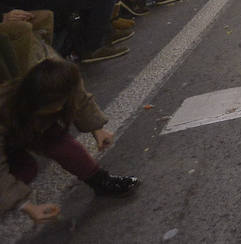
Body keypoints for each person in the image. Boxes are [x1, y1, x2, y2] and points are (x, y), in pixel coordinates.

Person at [0, 58, 139, 227]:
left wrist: (97, 129)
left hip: (23, 124)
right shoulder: (10, 107)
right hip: (11, 130)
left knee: (57, 141)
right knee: (25, 170)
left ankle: (100, 181)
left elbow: (77, 96)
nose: (61, 108)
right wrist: (27, 206)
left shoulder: (53, 74)